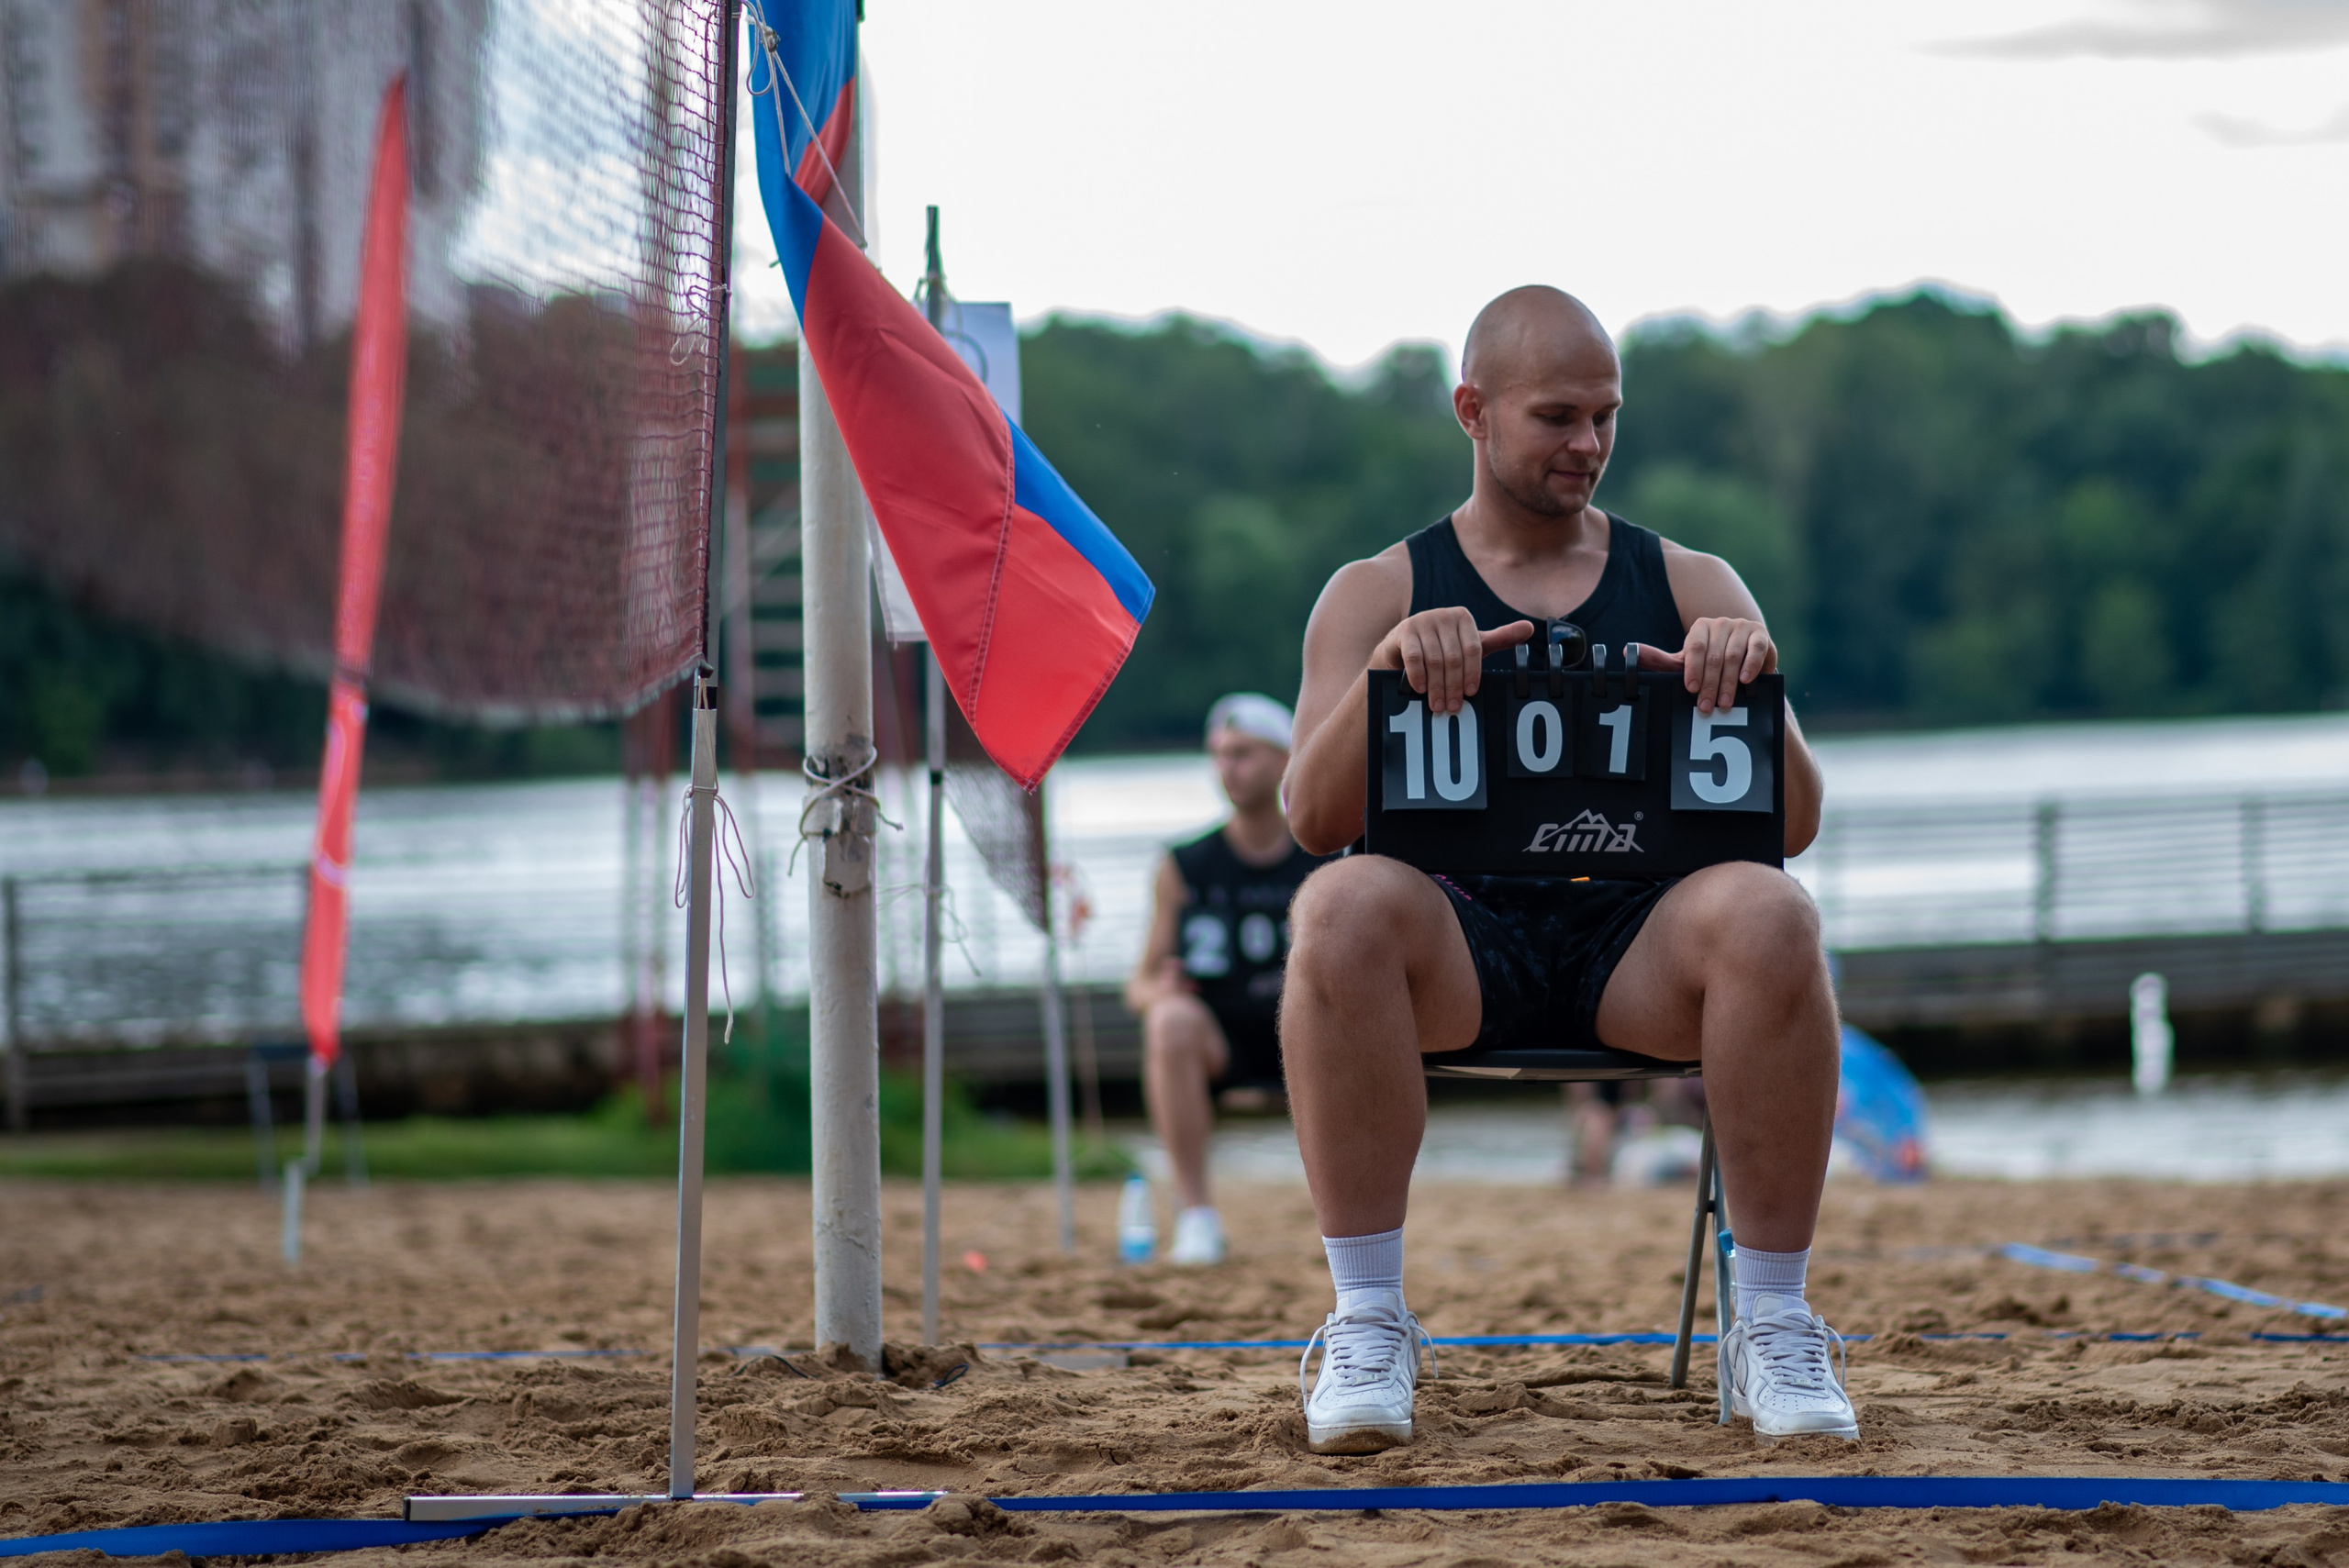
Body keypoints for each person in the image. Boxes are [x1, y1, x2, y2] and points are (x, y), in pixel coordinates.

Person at [1278, 286, 1850, 1452]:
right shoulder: (1376, 589)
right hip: (1457, 941)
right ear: (1472, 411)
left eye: (1605, 416)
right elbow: (1306, 813)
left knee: (1774, 913)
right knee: (1336, 902)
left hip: (1634, 944)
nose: (1586, 444)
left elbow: (1793, 822)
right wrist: (1389, 670)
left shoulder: (1692, 582)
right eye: (1556, 417)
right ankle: (1368, 1319)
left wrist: (1753, 685)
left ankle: (1774, 1321)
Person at [1126, 694, 1330, 1265]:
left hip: (1312, 1033)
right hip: (1224, 1038)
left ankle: (1359, 1221)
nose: (1227, 768)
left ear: (1283, 758)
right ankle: (1196, 1218)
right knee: (1168, 1021)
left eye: (1241, 754)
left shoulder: (1327, 855)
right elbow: (1139, 983)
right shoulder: (1186, 864)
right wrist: (1160, 992)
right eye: (1218, 755)